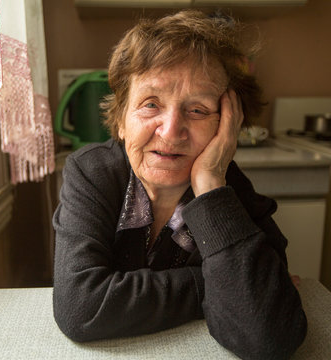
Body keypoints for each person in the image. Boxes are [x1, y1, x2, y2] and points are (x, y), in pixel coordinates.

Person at [52, 9, 307, 360]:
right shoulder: (92, 172)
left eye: (199, 110)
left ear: (227, 128)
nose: (171, 131)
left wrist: (212, 186)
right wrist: (215, 286)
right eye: (150, 104)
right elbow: (83, 309)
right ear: (122, 120)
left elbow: (268, 335)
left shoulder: (229, 191)